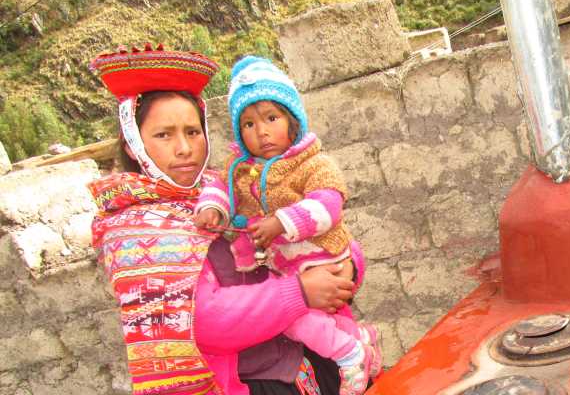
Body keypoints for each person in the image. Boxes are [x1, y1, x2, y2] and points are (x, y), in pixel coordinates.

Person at [87, 44, 355, 395]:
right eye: (164, 135)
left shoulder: (225, 189)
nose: (184, 148)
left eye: (192, 132)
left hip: (307, 357)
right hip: (248, 382)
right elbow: (203, 321)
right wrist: (300, 292)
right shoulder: (135, 230)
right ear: (133, 145)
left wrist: (346, 266)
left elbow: (312, 233)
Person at [193, 56, 381, 395]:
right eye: (248, 124)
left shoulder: (311, 161)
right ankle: (357, 345)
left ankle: (351, 353)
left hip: (318, 257)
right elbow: (219, 187)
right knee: (308, 321)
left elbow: (328, 203)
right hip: (287, 280)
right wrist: (211, 207)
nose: (261, 131)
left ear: (293, 121)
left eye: (271, 118)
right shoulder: (239, 169)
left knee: (311, 320)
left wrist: (281, 222)